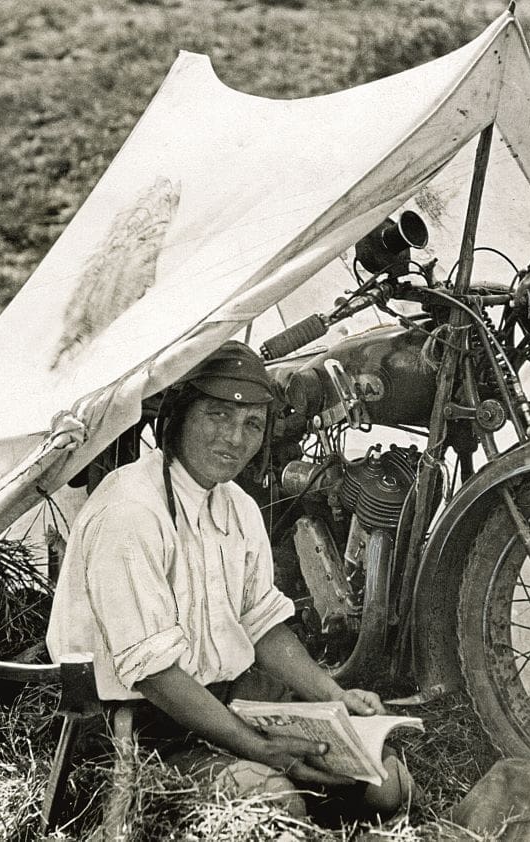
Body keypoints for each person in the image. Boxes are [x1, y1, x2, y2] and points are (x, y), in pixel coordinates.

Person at [46, 340, 412, 822]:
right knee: (276, 804)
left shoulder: (236, 505)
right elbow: (154, 676)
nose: (235, 439)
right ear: (178, 417)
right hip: (138, 728)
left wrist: (333, 695)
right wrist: (257, 748)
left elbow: (261, 623)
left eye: (252, 424)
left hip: (229, 702)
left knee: (389, 787)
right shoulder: (131, 511)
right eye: (218, 416)